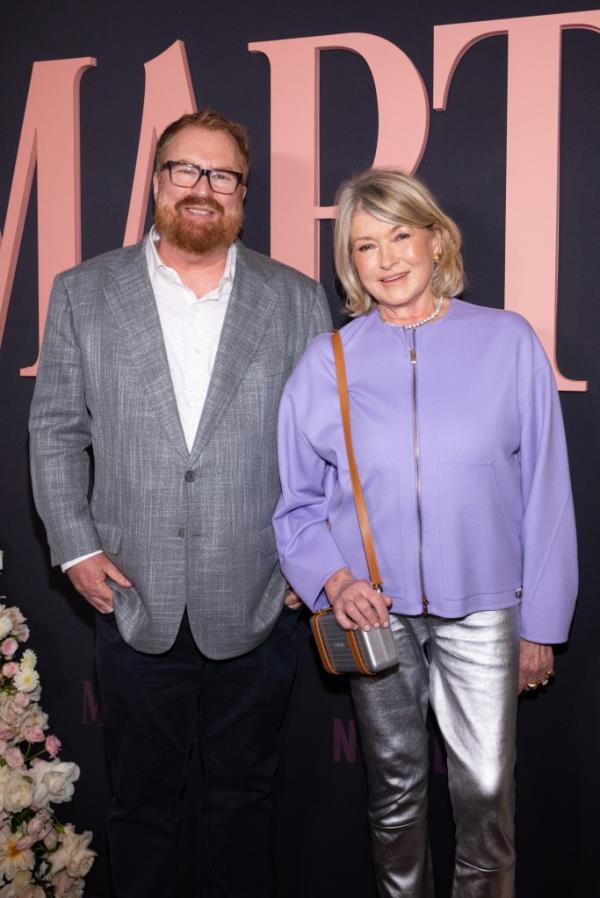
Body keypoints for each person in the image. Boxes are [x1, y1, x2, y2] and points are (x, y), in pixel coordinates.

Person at [29, 109, 331, 898]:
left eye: (222, 175)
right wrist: (75, 545)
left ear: (243, 194)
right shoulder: (83, 292)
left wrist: (317, 558)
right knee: (142, 812)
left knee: (243, 807)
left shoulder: (296, 298)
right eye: (185, 171)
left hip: (262, 601)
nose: (202, 189)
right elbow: (56, 427)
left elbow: (329, 443)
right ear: (156, 182)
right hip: (134, 598)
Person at [273, 168, 577, 897]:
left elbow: (547, 490)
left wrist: (540, 621)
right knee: (395, 794)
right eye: (366, 245)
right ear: (351, 263)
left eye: (401, 235)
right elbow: (297, 503)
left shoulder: (506, 342)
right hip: (377, 616)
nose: (387, 258)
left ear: (437, 240)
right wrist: (335, 582)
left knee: (486, 798)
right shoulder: (330, 361)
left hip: (484, 608)